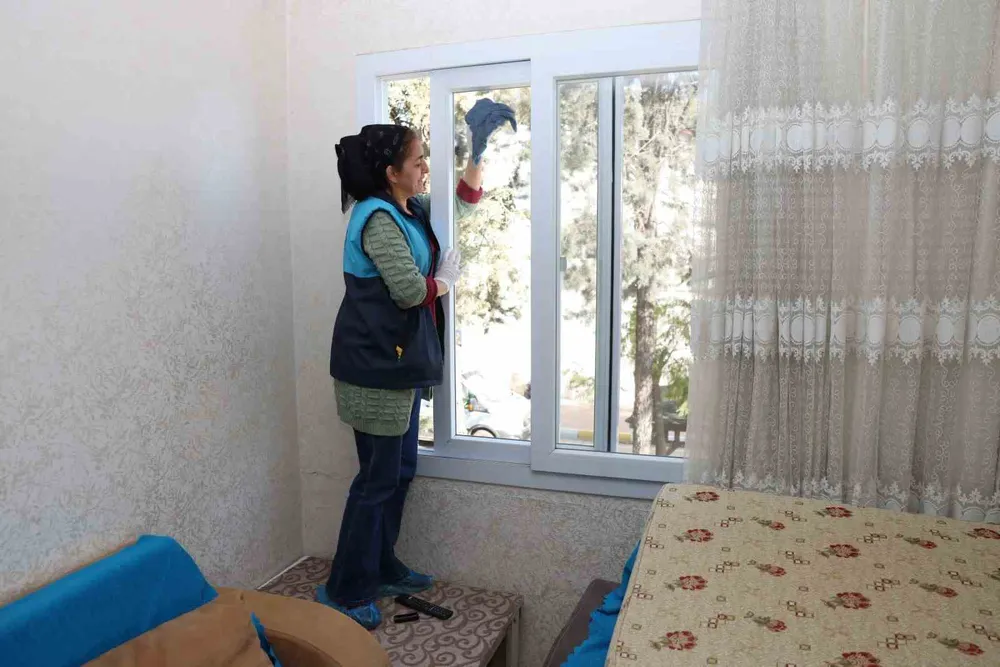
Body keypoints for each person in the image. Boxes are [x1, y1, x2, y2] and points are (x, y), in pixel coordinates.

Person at [320, 106, 512, 630]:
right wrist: (445, 281)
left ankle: (381, 566)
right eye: (418, 159)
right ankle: (345, 589)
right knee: (376, 480)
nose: (426, 166)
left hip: (395, 368)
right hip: (372, 371)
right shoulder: (377, 218)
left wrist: (477, 151)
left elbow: (462, 204)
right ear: (391, 172)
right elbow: (408, 291)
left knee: (400, 471)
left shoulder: (408, 208)